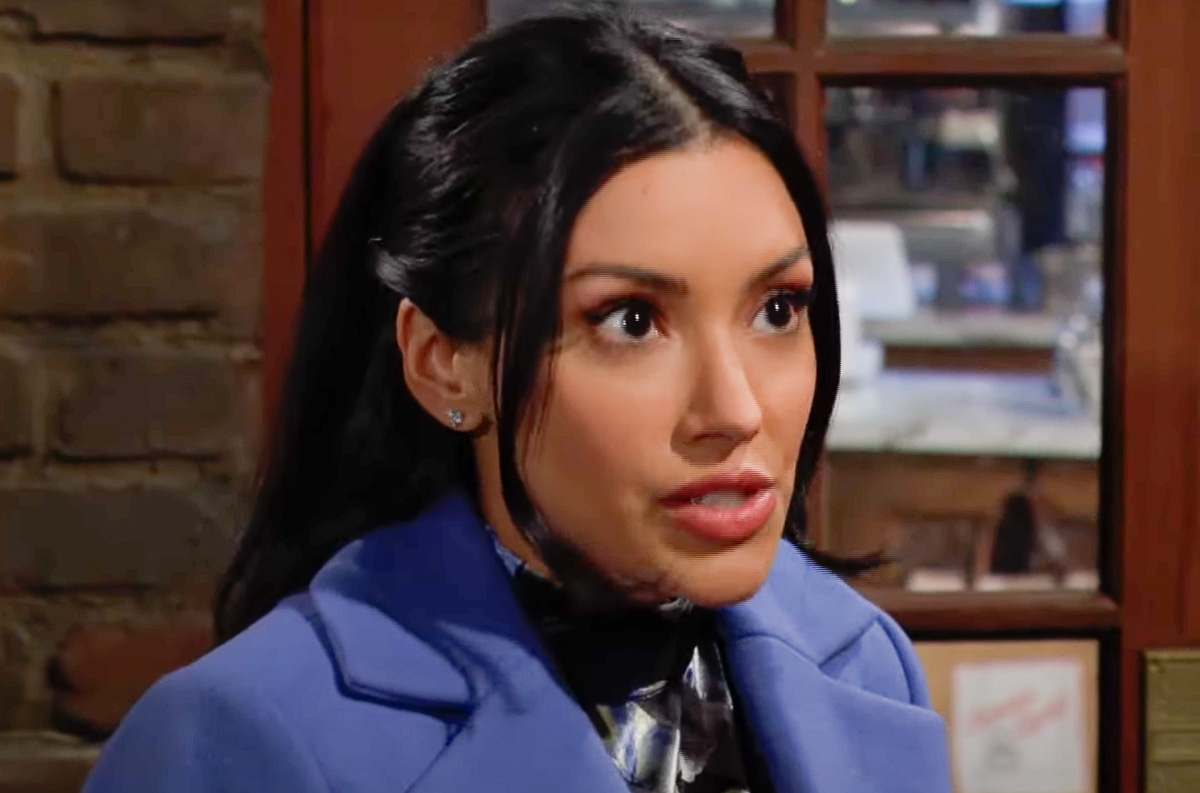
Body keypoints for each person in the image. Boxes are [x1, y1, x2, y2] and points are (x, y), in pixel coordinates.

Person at [83, 4, 950, 792]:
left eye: (777, 310)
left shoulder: (860, 661)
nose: (736, 409)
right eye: (632, 321)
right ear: (443, 366)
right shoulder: (242, 738)